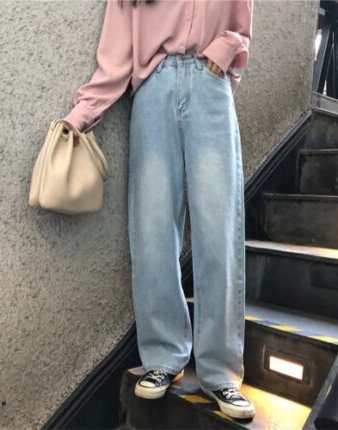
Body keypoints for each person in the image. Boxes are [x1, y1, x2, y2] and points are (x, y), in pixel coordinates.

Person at [63, 0, 255, 420]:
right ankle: (164, 355)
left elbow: (241, 27)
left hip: (210, 85)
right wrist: (82, 115)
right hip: (153, 87)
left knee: (219, 229)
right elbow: (116, 53)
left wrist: (223, 54)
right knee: (151, 229)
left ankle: (220, 371)